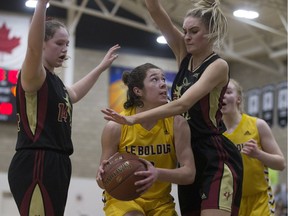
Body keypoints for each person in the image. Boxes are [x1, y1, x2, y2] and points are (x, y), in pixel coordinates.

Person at [101, 0, 243, 215]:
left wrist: (134, 119)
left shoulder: (218, 66)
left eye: (194, 31)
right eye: (185, 31)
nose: (187, 37)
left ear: (211, 32)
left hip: (213, 152)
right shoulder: (183, 55)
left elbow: (183, 104)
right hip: (186, 151)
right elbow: (155, 11)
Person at [7, 0, 120, 215]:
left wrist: (101, 67)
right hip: (37, 160)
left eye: (67, 44)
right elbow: (32, 46)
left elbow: (75, 93)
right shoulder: (34, 75)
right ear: (42, 43)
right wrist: (42, 4)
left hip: (57, 162)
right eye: (59, 43)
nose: (65, 49)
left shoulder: (55, 83)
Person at [97, 63, 196, 216]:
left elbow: (189, 174)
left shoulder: (177, 123)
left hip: (160, 202)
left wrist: (156, 173)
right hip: (123, 199)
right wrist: (103, 176)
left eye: (163, 79)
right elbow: (102, 182)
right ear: (138, 91)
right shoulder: (116, 127)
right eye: (155, 80)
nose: (163, 83)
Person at [221, 79, 286, 216]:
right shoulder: (215, 133)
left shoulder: (257, 125)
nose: (224, 96)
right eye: (221, 92)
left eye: (228, 92)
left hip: (260, 199)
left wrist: (258, 154)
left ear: (238, 99)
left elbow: (281, 163)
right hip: (232, 202)